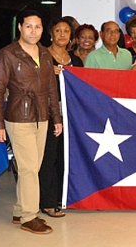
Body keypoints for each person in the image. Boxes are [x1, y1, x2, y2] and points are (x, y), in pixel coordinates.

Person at [0, 10, 62, 234]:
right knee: (30, 168)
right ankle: (29, 217)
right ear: (20, 27)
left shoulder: (45, 53)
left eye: (38, 27)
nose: (33, 31)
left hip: (42, 116)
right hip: (18, 117)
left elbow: (51, 88)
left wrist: (56, 118)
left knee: (33, 167)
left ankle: (20, 209)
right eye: (29, 26)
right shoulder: (8, 54)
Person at [39, 18, 83, 220]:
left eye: (66, 31)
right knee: (49, 158)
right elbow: (33, 82)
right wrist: (49, 73)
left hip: (70, 116)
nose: (62, 35)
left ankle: (61, 197)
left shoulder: (76, 60)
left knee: (65, 158)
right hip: (47, 115)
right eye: (58, 31)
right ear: (51, 34)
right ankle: (46, 202)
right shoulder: (42, 56)